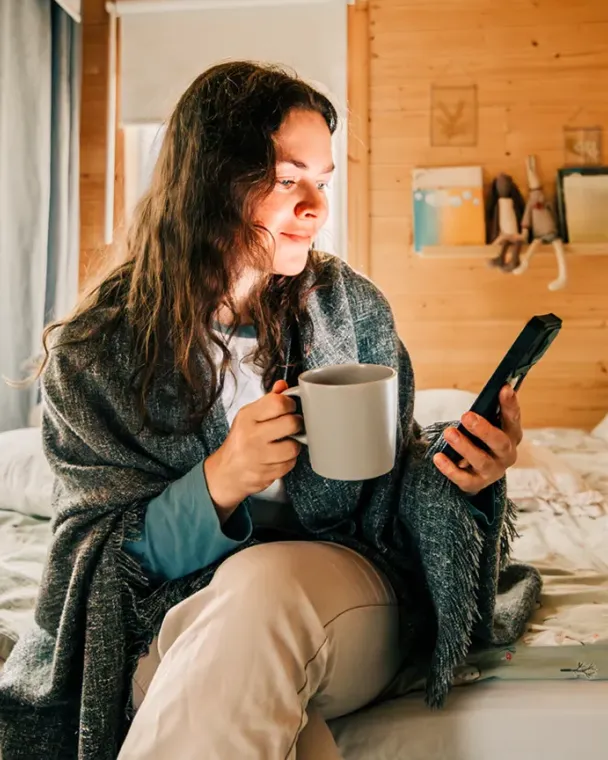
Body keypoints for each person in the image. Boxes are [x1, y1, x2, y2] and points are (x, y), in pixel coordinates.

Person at [0, 62, 530, 760]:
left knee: (261, 587)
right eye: (289, 180)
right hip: (173, 618)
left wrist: (463, 474)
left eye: (325, 181)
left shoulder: (351, 307)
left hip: (346, 592)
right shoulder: (96, 352)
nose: (317, 206)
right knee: (217, 684)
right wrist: (220, 481)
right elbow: (95, 559)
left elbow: (395, 481)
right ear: (213, 182)